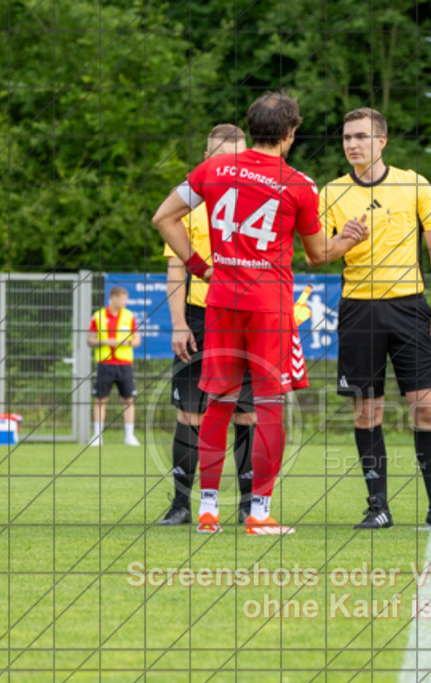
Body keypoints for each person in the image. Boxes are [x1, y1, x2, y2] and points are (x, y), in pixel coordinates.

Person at [152, 91, 367, 535]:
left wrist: (200, 268)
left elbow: (163, 218)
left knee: (217, 402)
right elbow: (316, 255)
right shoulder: (298, 183)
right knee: (268, 405)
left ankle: (207, 510)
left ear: (252, 129)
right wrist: (348, 239)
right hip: (268, 306)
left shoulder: (213, 169)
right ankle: (258, 513)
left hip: (222, 300)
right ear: (290, 134)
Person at [312, 107, 431, 531]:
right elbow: (318, 252)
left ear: (381, 141)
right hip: (359, 310)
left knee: (427, 409)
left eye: (361, 136)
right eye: (346, 138)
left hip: (409, 307)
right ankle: (377, 505)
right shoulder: (330, 193)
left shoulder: (413, 183)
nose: (352, 144)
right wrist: (344, 239)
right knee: (367, 412)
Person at [157, 123, 257, 527]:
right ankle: (182, 503)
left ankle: (250, 503)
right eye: (218, 156)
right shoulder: (189, 203)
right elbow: (175, 269)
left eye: (234, 158)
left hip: (247, 317)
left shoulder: (258, 198)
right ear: (205, 157)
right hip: (200, 318)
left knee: (246, 413)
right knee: (190, 413)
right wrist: (179, 324)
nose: (226, 165)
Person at [87, 286, 142, 446]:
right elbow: (90, 340)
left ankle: (129, 436)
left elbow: (137, 340)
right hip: (105, 363)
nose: (125, 302)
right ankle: (97, 436)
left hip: (124, 364)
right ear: (113, 298)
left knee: (128, 399)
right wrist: (105, 342)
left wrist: (129, 342)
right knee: (100, 399)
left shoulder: (129, 316)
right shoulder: (98, 316)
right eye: (123, 299)